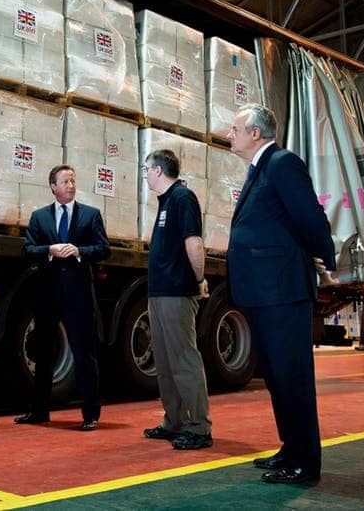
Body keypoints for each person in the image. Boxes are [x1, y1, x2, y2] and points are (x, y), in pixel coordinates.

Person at [226, 103, 336, 485]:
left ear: (256, 132)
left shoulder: (282, 163)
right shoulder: (260, 170)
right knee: (275, 375)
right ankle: (291, 447)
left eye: (235, 128)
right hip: (264, 291)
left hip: (282, 289)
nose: (230, 134)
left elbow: (310, 216)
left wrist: (326, 257)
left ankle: (306, 461)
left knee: (292, 376)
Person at [14, 165, 111, 431]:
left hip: (79, 294)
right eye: (65, 181)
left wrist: (79, 251)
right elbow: (28, 250)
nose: (70, 185)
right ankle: (39, 411)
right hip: (47, 294)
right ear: (53, 186)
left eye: (73, 180)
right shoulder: (39, 217)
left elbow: (104, 249)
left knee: (84, 352)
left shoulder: (90, 216)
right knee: (43, 352)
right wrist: (50, 250)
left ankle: (90, 413)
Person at [141, 149, 213, 450]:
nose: (145, 174)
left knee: (184, 359)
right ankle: (174, 421)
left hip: (176, 292)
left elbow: (193, 243)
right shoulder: (166, 201)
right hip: (158, 293)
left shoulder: (183, 198)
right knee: (166, 362)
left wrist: (198, 280)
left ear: (158, 171)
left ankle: (199, 427)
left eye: (146, 169)